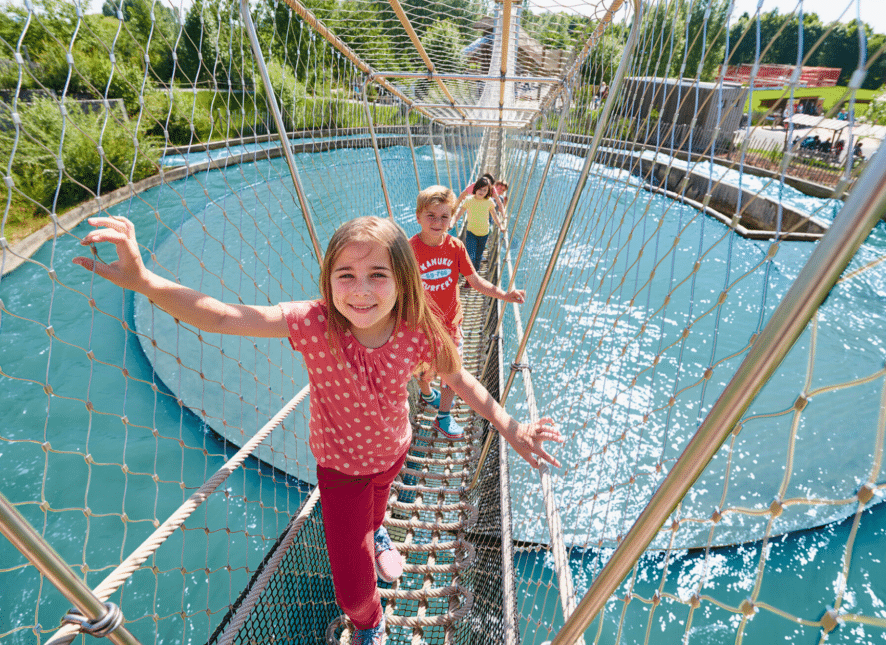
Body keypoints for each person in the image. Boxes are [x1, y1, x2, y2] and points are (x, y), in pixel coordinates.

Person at [72, 215, 561, 645]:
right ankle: (370, 623)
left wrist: (510, 426)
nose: (361, 290)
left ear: (403, 280)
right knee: (352, 588)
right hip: (340, 470)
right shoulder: (312, 323)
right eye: (345, 275)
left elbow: (458, 377)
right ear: (328, 282)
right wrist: (146, 282)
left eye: (377, 275)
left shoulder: (417, 328)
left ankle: (379, 532)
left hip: (393, 452)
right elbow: (222, 316)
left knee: (380, 502)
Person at [410, 185, 526, 439]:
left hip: (451, 324)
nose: (438, 222)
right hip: (420, 327)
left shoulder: (456, 247)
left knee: (452, 373)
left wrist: (504, 294)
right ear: (418, 217)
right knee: (422, 370)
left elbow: (474, 281)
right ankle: (426, 391)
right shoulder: (409, 252)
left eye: (444, 217)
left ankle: (443, 416)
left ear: (452, 220)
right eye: (431, 215)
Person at [452, 177, 504, 271]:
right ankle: (469, 276)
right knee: (471, 256)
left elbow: (495, 216)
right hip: (471, 233)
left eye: (485, 190)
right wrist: (452, 223)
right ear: (475, 188)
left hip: (484, 234)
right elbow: (459, 213)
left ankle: (474, 276)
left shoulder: (489, 201)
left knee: (478, 257)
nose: (482, 192)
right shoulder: (469, 200)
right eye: (480, 189)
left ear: (488, 192)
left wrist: (501, 226)